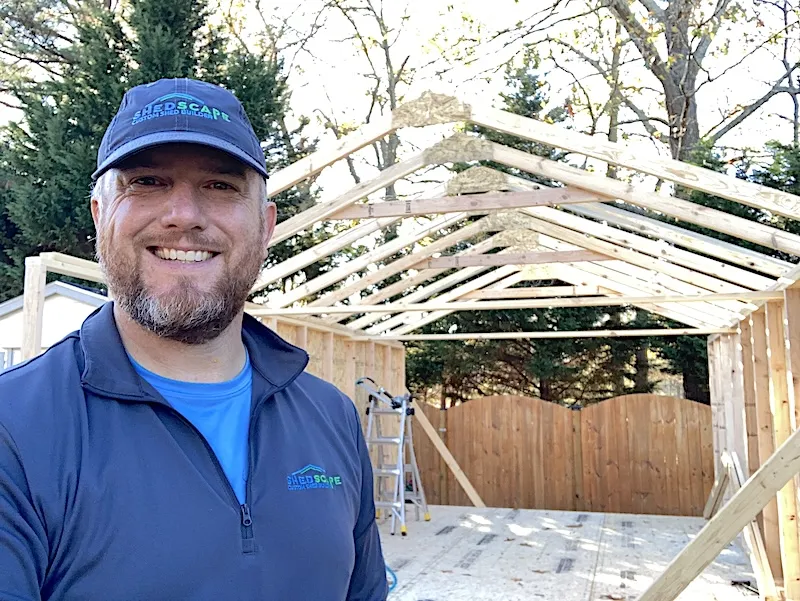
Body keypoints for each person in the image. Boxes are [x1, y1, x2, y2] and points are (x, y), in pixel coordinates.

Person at [0, 78, 388, 601]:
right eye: (147, 181)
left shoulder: (331, 417)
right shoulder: (15, 430)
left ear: (265, 224)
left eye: (221, 186)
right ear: (99, 216)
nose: (183, 214)